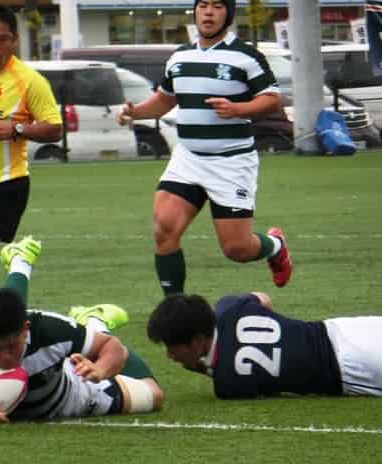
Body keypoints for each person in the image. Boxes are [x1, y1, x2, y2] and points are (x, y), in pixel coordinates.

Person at [116, 0, 292, 295]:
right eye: (203, 5)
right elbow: (165, 99)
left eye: (218, 6)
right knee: (164, 229)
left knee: (237, 249)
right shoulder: (179, 57)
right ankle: (175, 307)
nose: (209, 12)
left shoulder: (246, 56)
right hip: (188, 158)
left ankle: (275, 246)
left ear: (229, 14)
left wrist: (238, 109)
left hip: (231, 162)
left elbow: (272, 99)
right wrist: (136, 112)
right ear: (195, 11)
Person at [0, 236, 163, 424]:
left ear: (26, 329)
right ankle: (22, 262)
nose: (6, 356)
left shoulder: (50, 329)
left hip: (70, 398)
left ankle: (94, 322)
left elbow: (113, 348)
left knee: (154, 395)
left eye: (12, 345)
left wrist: (99, 369)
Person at [147, 292, 382, 398]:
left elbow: (225, 367)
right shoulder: (229, 305)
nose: (170, 355)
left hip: (354, 368)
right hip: (344, 328)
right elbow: (264, 299)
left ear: (198, 341)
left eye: (172, 346)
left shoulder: (227, 383)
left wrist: (198, 366)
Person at [0, 3, 63, 297]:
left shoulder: (29, 80)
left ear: (15, 40)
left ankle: (18, 271)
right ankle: (6, 317)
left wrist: (17, 128)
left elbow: (55, 128)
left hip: (4, 188)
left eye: (3, 39)